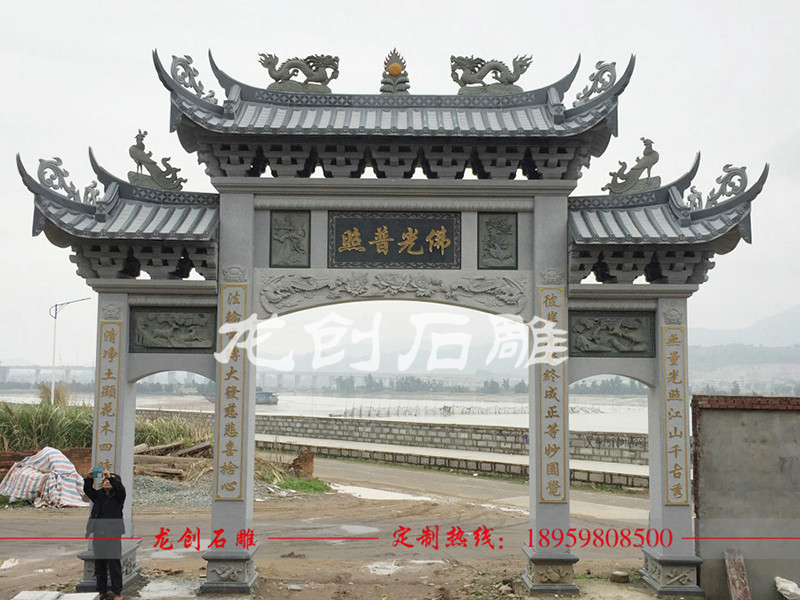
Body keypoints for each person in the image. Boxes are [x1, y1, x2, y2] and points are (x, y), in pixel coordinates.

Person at [84, 467, 126, 600]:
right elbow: (87, 490)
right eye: (105, 480)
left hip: (113, 535)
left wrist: (110, 477)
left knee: (114, 564)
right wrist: (89, 477)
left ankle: (117, 592)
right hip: (99, 534)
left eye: (110, 480)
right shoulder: (98, 495)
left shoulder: (118, 497)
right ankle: (102, 590)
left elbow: (120, 488)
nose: (107, 481)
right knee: (100, 564)